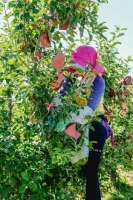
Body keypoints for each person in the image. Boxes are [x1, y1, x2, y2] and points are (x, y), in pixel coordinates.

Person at [50, 45, 112, 200]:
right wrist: (54, 102)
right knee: (77, 163)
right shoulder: (73, 78)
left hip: (96, 125)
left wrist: (63, 116)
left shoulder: (98, 82)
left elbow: (88, 112)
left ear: (90, 65)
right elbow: (59, 98)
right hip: (78, 126)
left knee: (91, 171)